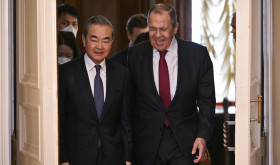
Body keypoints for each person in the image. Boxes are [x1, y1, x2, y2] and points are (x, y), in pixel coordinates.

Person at [127, 4, 216, 165]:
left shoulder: (197, 55)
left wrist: (203, 136)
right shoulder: (134, 56)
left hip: (185, 144)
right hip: (146, 145)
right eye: (153, 29)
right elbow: (128, 104)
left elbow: (206, 101)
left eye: (163, 29)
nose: (157, 35)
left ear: (175, 28)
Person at [59, 15, 132, 165]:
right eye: (94, 40)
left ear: (112, 42)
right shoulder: (66, 73)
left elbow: (126, 121)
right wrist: (63, 158)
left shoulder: (122, 74)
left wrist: (128, 158)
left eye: (105, 40)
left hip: (113, 156)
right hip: (77, 156)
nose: (100, 46)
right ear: (84, 40)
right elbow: (60, 121)